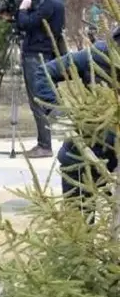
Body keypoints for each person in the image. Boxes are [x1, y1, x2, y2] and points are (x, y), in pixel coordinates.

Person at [34, 27, 120, 221]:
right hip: (84, 157)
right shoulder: (99, 54)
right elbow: (45, 72)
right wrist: (59, 114)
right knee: (80, 228)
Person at [15, 0, 65, 159]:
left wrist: (22, 9)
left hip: (36, 56)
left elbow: (26, 24)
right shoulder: (58, 4)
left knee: (37, 100)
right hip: (45, 55)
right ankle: (47, 140)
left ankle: (44, 145)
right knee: (44, 98)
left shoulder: (49, 5)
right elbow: (35, 25)